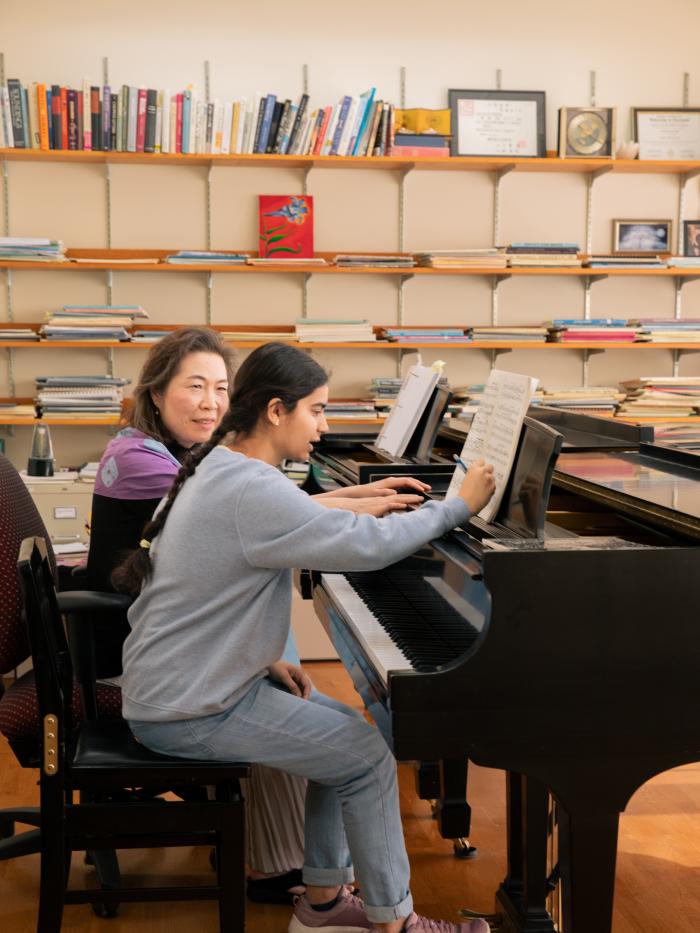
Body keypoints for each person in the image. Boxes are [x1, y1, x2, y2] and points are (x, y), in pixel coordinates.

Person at [112, 341, 495, 933]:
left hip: (183, 685)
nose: (324, 425)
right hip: (189, 706)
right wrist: (456, 508)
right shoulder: (249, 488)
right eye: (316, 410)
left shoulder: (224, 466)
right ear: (274, 411)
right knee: (367, 757)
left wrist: (263, 659)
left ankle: (321, 905)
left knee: (344, 739)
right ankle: (397, 924)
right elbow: (365, 549)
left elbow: (272, 537)